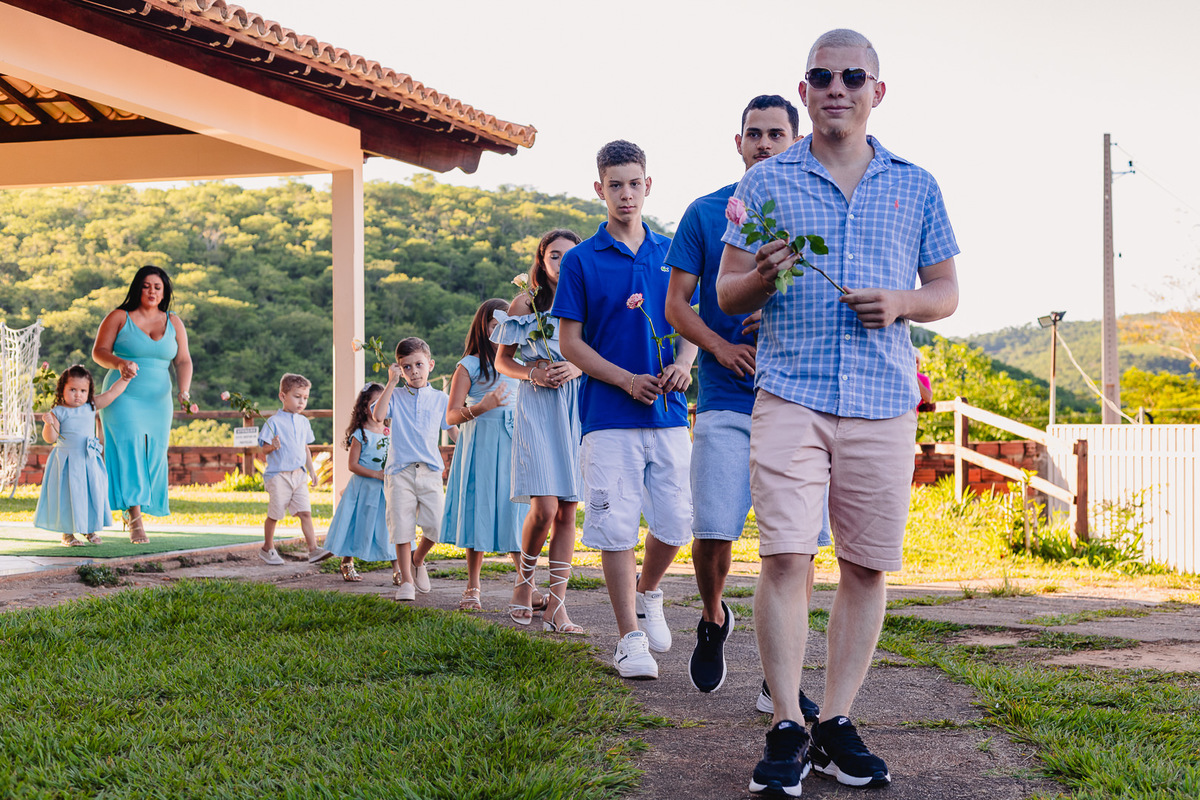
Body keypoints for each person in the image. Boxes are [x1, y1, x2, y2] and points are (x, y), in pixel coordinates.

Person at [717, 29, 960, 795]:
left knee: (865, 563)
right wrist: (760, 275)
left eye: (852, 75)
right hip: (792, 392)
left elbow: (946, 291)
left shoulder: (916, 184)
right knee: (788, 554)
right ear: (805, 89)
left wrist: (904, 302)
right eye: (822, 75)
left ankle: (838, 721)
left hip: (884, 402)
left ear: (876, 91)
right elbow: (724, 294)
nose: (837, 86)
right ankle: (788, 721)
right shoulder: (765, 185)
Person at [665, 95, 832, 710]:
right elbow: (678, 305)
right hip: (726, 401)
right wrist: (720, 347)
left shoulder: (817, 214)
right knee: (712, 530)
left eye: (777, 135)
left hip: (795, 399)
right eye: (754, 134)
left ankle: (778, 675)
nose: (765, 144)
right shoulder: (707, 213)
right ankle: (713, 618)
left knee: (797, 545)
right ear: (738, 142)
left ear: (795, 140)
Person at [555, 140, 698, 679]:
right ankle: (628, 638)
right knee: (615, 528)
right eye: (615, 184)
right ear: (599, 189)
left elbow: (691, 324)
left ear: (648, 186)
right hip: (608, 416)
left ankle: (650, 591)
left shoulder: (673, 252)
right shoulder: (580, 260)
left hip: (668, 413)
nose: (625, 193)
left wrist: (685, 361)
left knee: (678, 521)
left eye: (634, 183)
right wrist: (624, 380)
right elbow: (571, 342)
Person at [493, 228, 586, 633]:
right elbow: (502, 361)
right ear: (541, 260)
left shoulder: (587, 300)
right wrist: (533, 372)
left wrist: (578, 366)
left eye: (570, 255)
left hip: (575, 406)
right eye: (554, 255)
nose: (562, 262)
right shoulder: (524, 303)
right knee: (545, 507)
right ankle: (524, 583)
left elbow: (600, 352)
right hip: (536, 405)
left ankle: (558, 607)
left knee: (568, 510)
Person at [92, 265, 193, 543]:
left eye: (157, 287)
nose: (151, 291)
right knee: (130, 448)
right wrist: (120, 362)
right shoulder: (119, 317)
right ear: (138, 287)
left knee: (154, 454)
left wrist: (184, 392)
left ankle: (133, 507)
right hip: (122, 394)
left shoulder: (174, 322)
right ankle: (135, 519)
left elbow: (183, 360)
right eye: (146, 286)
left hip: (159, 400)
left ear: (164, 292)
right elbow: (99, 352)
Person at [440, 299, 528, 612]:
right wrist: (481, 407)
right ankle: (472, 587)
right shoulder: (470, 365)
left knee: (514, 512)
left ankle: (525, 585)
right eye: (495, 324)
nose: (501, 329)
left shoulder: (520, 362)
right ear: (484, 326)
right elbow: (450, 415)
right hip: (480, 443)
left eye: (507, 323)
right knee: (479, 508)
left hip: (514, 443)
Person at [372, 337, 455, 602]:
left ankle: (418, 559)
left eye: (419, 364)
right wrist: (390, 382)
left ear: (430, 364)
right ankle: (406, 581)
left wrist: (468, 448)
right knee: (402, 526)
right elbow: (377, 415)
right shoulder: (394, 394)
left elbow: (452, 429)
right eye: (406, 367)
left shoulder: (441, 398)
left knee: (437, 524)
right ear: (399, 369)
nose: (414, 371)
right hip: (400, 472)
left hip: (430, 471)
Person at [35, 364, 132, 545]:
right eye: (72, 389)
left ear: (89, 391)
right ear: (62, 389)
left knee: (90, 493)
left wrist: (126, 378)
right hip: (67, 461)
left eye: (82, 390)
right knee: (68, 496)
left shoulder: (90, 406)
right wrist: (49, 424)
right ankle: (68, 534)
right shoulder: (58, 412)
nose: (78, 394)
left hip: (88, 461)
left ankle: (89, 530)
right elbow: (51, 438)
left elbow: (112, 393)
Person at [257, 373, 331, 566]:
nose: (301, 402)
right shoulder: (273, 422)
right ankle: (267, 548)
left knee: (306, 512)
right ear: (283, 396)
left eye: (305, 398)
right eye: (297, 396)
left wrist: (312, 471)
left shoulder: (304, 422)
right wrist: (272, 446)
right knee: (275, 514)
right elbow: (264, 449)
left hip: (299, 475)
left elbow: (305, 447)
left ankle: (313, 550)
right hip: (279, 476)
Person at [323, 382, 393, 581]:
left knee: (389, 525)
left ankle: (399, 569)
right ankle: (347, 561)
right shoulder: (360, 434)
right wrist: (375, 474)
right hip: (363, 488)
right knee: (356, 523)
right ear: (364, 407)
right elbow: (352, 465)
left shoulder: (389, 431)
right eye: (374, 403)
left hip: (384, 489)